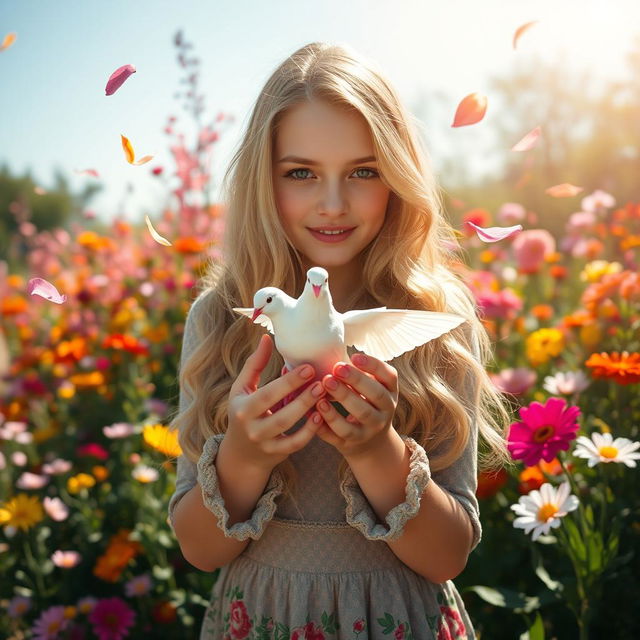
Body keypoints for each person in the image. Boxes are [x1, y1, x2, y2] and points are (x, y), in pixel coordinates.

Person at [168, 41, 512, 640]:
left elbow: (448, 556)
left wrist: (377, 450)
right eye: (300, 173)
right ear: (261, 180)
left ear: (398, 177)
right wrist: (245, 456)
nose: (333, 203)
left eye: (363, 171)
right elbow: (200, 549)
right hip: (262, 615)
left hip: (399, 618)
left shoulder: (435, 318)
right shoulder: (224, 319)